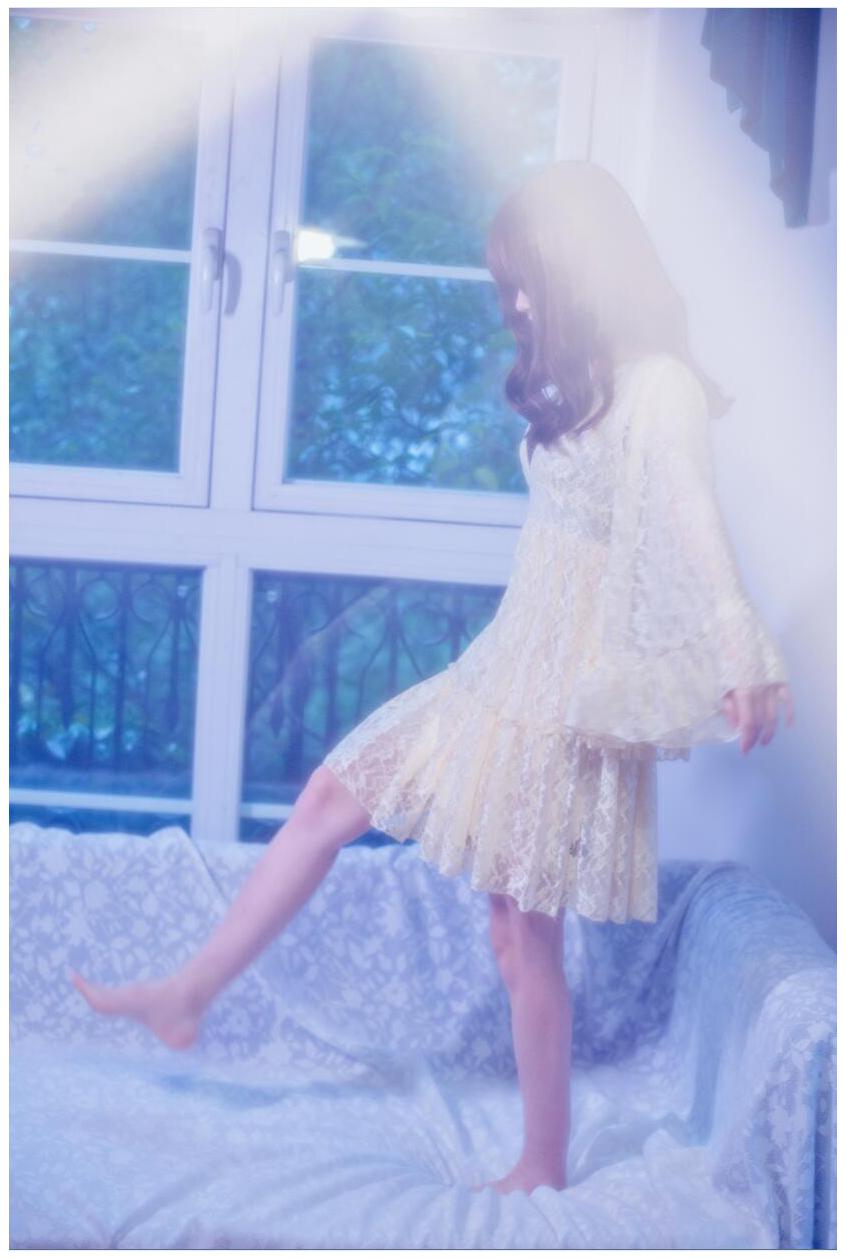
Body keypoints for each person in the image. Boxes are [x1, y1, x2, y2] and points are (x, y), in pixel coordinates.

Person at [70, 160, 794, 1198]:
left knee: (520, 932)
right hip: (497, 671)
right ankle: (188, 991)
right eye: (510, 287)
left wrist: (742, 651)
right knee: (330, 796)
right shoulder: (579, 384)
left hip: (557, 703)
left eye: (526, 281)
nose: (519, 305)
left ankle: (539, 1163)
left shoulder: (657, 387)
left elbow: (693, 523)